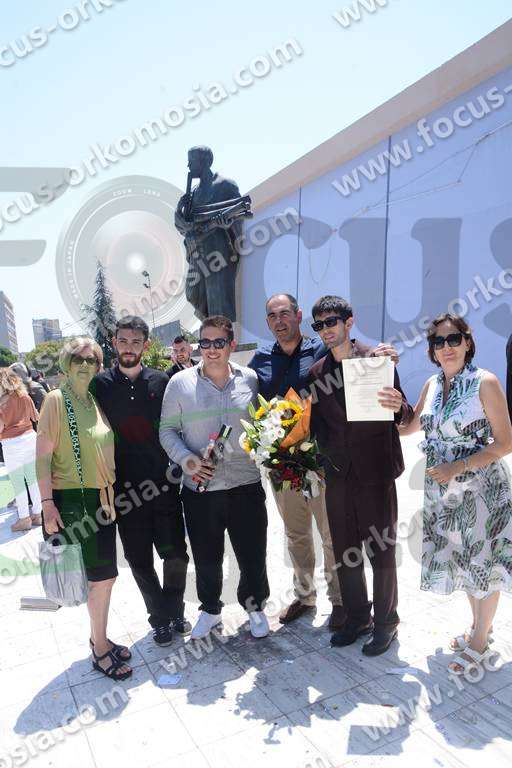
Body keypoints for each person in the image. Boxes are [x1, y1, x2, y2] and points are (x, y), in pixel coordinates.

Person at [249, 293, 398, 629]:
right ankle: (305, 596)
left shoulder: (319, 350)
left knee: (332, 534)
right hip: (281, 464)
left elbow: (354, 356)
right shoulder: (260, 360)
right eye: (272, 316)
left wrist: (384, 356)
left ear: (298, 315)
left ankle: (341, 601)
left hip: (320, 460)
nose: (279, 321)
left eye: (285, 313)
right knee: (296, 533)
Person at [399, 313, 512, 674]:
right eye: (438, 342)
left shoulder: (485, 382)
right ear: (432, 350)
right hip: (444, 491)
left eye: (453, 339)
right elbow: (409, 427)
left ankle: (480, 640)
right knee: (464, 561)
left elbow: (505, 443)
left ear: (467, 342)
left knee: (484, 563)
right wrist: (386, 397)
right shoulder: (432, 384)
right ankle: (480, 626)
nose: (446, 347)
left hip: (481, 488)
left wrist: (457, 467)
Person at [308, 295, 413, 656]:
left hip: (376, 473)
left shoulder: (377, 359)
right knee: (345, 552)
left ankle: (386, 622)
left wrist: (399, 407)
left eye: (331, 322)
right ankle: (357, 618)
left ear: (349, 322)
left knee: (381, 552)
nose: (325, 330)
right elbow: (317, 427)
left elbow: (404, 413)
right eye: (319, 325)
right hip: (338, 477)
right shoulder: (316, 373)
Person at [160, 315, 270, 640]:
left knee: (253, 554)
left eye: (218, 342)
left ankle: (255, 608)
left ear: (231, 345)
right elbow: (167, 430)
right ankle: (210, 610)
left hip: (246, 484)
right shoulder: (179, 384)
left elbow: (264, 424)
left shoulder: (250, 380)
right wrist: (188, 460)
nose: (211, 349)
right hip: (200, 489)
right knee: (207, 556)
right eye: (205, 342)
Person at [36, 337, 132, 681]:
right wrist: (47, 504)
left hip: (102, 498)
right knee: (100, 579)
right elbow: (42, 458)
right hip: (75, 501)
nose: (86, 364)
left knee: (106, 577)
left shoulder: (92, 399)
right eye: (79, 358)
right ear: (66, 363)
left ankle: (99, 638)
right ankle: (99, 649)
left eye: (92, 360)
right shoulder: (55, 400)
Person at [92, 316, 189, 646]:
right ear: (114, 343)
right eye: (123, 341)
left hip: (164, 485)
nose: (129, 347)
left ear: (146, 345)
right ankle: (160, 618)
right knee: (139, 561)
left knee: (176, 555)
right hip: (124, 492)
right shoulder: (100, 386)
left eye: (136, 342)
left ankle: (174, 609)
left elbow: (177, 426)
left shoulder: (162, 381)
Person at [0, 368, 42, 531]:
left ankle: (24, 518)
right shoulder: (25, 396)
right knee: (33, 479)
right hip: (30, 438)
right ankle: (37, 514)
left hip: (11, 443)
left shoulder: (1, 402)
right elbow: (36, 417)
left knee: (18, 483)